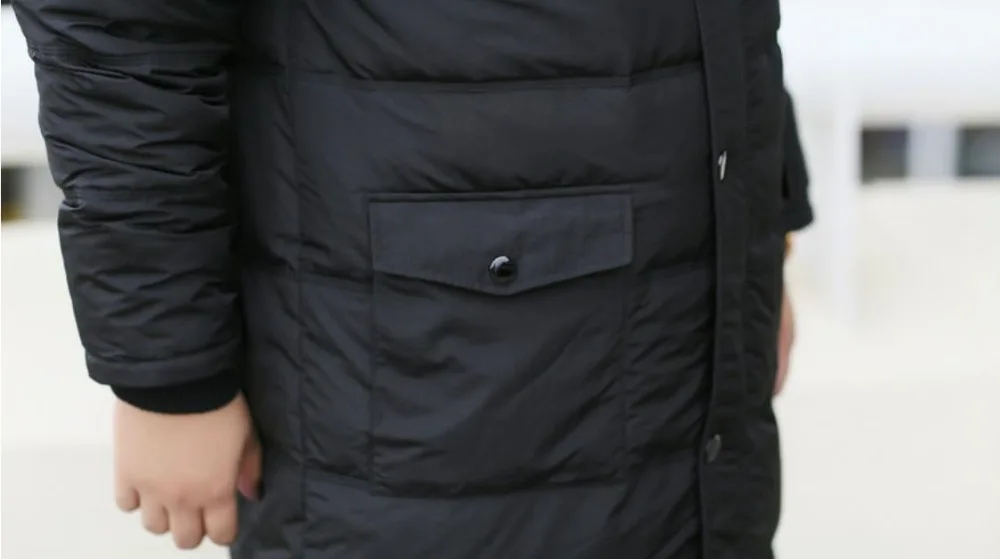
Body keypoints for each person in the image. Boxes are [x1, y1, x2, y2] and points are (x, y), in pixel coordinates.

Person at [14, 0, 813, 556]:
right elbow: (119, 27)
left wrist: (756, 212)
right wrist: (169, 370)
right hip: (413, 363)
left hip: (683, 331)